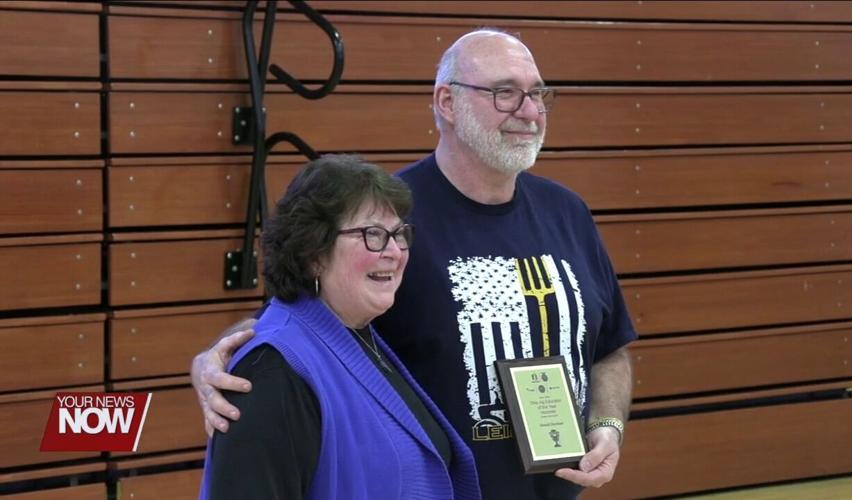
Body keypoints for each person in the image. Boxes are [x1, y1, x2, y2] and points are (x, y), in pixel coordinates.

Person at [193, 29, 636, 499]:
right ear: (447, 102)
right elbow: (297, 322)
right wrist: (218, 358)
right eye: (505, 93)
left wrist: (607, 426)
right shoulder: (387, 219)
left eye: (538, 94)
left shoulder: (567, 212)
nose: (529, 111)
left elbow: (609, 348)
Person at [199, 155, 481, 500]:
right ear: (314, 253)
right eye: (373, 234)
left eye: (398, 234)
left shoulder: (360, 334)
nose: (394, 251)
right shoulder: (272, 371)